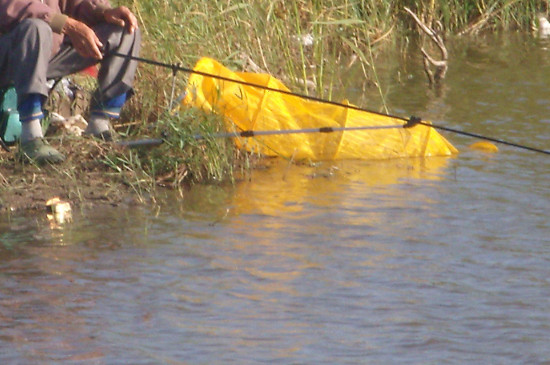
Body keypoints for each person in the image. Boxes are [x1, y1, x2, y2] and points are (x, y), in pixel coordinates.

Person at [0, 0, 141, 163]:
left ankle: (99, 126)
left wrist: (102, 12)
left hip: (47, 52)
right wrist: (67, 24)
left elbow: (76, 3)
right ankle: (31, 137)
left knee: (124, 28)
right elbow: (14, 7)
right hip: (11, 51)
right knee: (35, 27)